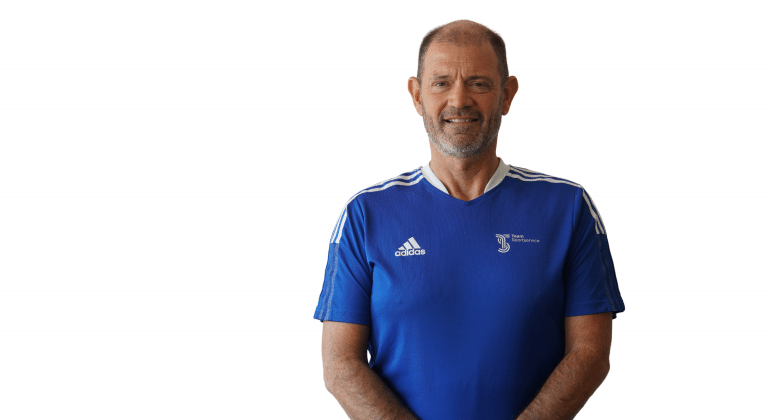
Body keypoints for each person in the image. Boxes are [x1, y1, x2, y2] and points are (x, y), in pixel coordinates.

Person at [313, 19, 625, 420]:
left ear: (507, 95)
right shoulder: (365, 215)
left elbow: (590, 354)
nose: (459, 100)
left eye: (478, 83)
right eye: (441, 83)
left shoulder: (568, 208)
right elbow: (340, 366)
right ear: (417, 95)